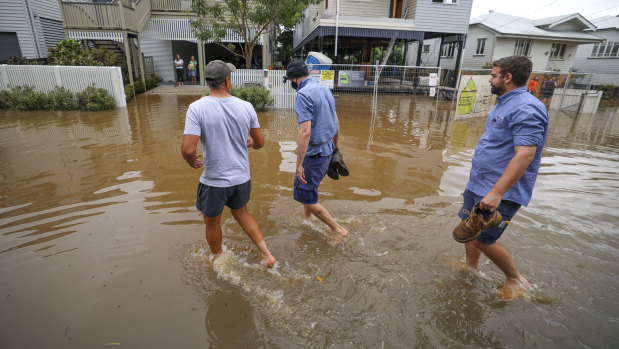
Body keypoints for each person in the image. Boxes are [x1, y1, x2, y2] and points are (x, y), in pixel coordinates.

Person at [452, 55, 548, 298]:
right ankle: (471, 267)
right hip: (480, 183)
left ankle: (515, 280)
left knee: (485, 238)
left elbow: (525, 155)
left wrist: (496, 193)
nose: (490, 79)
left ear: (508, 77)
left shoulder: (527, 107)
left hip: (499, 191)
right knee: (469, 228)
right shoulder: (504, 102)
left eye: (494, 75)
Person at [181, 60, 276, 267]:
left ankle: (218, 258)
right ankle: (266, 254)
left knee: (212, 221)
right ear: (227, 81)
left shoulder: (197, 108)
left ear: (208, 82)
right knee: (242, 213)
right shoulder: (246, 106)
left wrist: (192, 161)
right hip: (241, 177)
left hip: (215, 180)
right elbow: (259, 143)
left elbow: (188, 149)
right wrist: (246, 143)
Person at [284, 59, 348, 240]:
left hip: (314, 154)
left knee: (305, 196)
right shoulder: (324, 89)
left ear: (294, 79)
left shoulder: (303, 95)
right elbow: (336, 122)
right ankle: (307, 219)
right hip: (327, 150)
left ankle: (337, 229)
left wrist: (298, 164)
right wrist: (335, 147)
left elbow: (305, 133)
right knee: (309, 190)